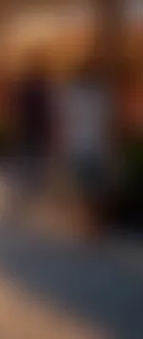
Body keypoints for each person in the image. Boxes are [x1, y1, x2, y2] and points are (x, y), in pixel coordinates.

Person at [59, 59, 110, 237]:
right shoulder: (101, 96)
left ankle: (86, 226)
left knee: (84, 189)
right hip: (95, 147)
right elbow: (107, 124)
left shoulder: (74, 95)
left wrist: (63, 146)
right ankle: (93, 226)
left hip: (79, 146)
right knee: (94, 189)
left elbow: (64, 123)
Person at [10, 58, 55, 216]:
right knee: (29, 169)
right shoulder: (38, 92)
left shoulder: (36, 92)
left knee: (29, 169)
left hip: (32, 134)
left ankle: (25, 200)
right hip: (31, 134)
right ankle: (23, 200)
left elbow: (47, 114)